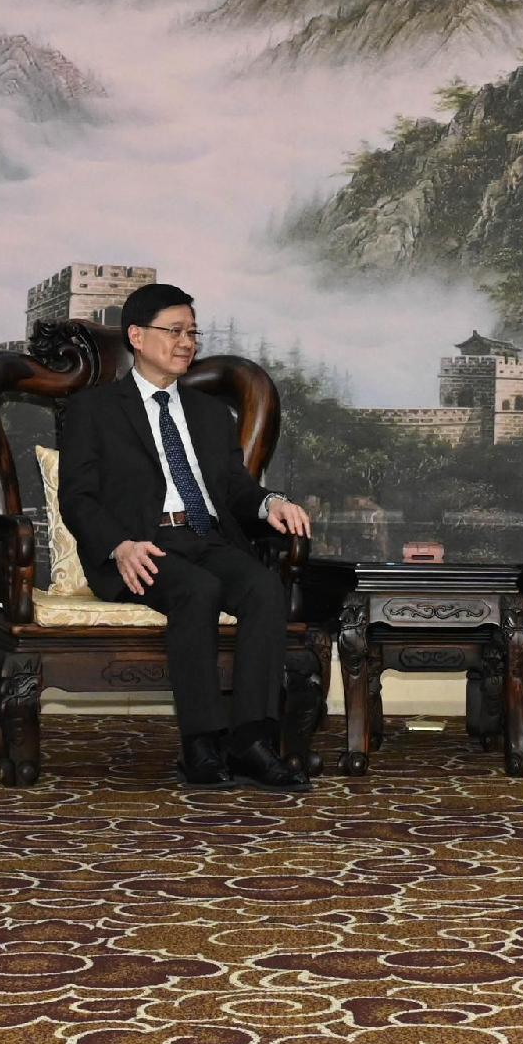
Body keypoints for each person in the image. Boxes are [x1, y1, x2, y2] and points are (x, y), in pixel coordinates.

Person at [58, 280, 319, 791]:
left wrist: (271, 503)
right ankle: (200, 744)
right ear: (136, 335)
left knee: (265, 588)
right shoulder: (94, 410)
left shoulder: (208, 413)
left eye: (192, 332)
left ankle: (251, 740)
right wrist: (118, 544)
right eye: (174, 331)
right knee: (196, 590)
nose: (187, 342)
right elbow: (78, 498)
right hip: (141, 547)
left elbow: (234, 488)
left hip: (206, 537)